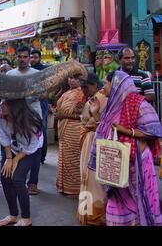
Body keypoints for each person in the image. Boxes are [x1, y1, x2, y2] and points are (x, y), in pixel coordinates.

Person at [88, 71, 162, 226]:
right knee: (116, 200)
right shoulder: (112, 105)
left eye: (105, 83)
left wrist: (127, 131)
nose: (102, 87)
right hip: (116, 165)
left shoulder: (138, 103)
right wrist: (95, 114)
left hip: (138, 163)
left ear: (116, 84)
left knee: (141, 199)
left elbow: (154, 131)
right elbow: (106, 130)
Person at [0, 99, 43, 226]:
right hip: (14, 149)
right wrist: (9, 158)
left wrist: (16, 160)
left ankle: (26, 219)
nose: (1, 104)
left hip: (29, 150)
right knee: (5, 177)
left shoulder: (32, 119)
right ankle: (13, 215)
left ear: (15, 105)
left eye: (5, 102)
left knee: (18, 180)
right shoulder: (0, 113)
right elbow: (3, 136)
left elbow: (32, 146)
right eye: (1, 101)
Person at [7, 45, 44, 195]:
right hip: (15, 118)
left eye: (25, 57)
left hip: (34, 118)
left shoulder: (37, 74)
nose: (22, 59)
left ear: (29, 58)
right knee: (16, 147)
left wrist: (31, 96)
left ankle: (33, 183)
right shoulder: (10, 74)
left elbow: (45, 94)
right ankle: (16, 178)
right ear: (15, 57)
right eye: (19, 56)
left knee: (34, 151)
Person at [77, 73, 107, 225]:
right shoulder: (91, 99)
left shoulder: (101, 98)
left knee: (95, 179)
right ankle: (86, 212)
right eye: (81, 87)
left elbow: (105, 123)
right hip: (88, 140)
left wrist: (91, 123)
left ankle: (96, 215)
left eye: (85, 86)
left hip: (97, 141)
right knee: (86, 176)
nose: (83, 90)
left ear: (95, 85)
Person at [55, 73, 85, 198]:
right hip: (65, 129)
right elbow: (58, 110)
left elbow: (82, 114)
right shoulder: (66, 93)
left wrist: (64, 115)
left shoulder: (83, 94)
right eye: (70, 78)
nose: (72, 80)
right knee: (65, 157)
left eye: (75, 78)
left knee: (74, 158)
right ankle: (65, 186)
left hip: (75, 129)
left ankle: (75, 189)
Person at [30, 49, 50, 164]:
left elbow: (48, 87)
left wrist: (44, 96)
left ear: (39, 58)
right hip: (30, 103)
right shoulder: (28, 71)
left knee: (42, 128)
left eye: (35, 57)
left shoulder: (43, 70)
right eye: (31, 57)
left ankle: (41, 157)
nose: (33, 59)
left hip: (41, 102)